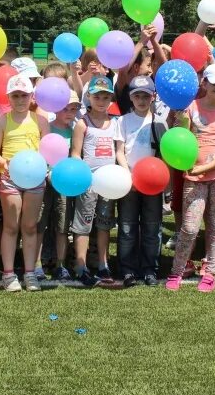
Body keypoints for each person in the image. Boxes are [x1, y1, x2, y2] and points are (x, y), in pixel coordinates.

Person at [166, 63, 215, 293]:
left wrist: (207, 166)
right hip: (194, 176)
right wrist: (177, 120)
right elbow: (179, 136)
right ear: (204, 83)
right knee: (189, 226)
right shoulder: (190, 107)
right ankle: (177, 270)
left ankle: (210, 271)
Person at [0, 74, 50, 292]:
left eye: (24, 95)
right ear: (8, 98)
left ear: (31, 96)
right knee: (11, 225)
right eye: (15, 95)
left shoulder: (40, 121)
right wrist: (5, 163)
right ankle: (8, 274)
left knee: (30, 226)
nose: (20, 100)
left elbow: (49, 151)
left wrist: (45, 167)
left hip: (35, 179)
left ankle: (30, 273)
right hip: (10, 179)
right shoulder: (2, 120)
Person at [70, 76, 122, 288]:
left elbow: (119, 152)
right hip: (88, 182)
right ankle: (80, 266)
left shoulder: (116, 123)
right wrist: (84, 176)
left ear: (111, 98)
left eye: (105, 96)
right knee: (83, 224)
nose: (101, 100)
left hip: (108, 184)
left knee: (104, 224)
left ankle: (103, 263)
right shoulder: (82, 123)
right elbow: (75, 153)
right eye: (96, 96)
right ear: (88, 97)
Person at [115, 76, 166, 287]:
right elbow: (119, 152)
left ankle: (149, 268)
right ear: (130, 97)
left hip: (153, 184)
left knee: (152, 227)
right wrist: (129, 177)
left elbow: (164, 156)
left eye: (146, 96)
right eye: (137, 96)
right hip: (129, 182)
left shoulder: (159, 123)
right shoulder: (123, 121)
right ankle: (127, 269)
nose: (142, 100)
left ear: (153, 97)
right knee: (127, 227)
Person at [39, 89, 80, 280]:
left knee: (63, 225)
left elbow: (75, 156)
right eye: (66, 109)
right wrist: (47, 172)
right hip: (44, 181)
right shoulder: (46, 127)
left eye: (74, 109)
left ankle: (60, 264)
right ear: (56, 109)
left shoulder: (75, 131)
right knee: (40, 223)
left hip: (64, 184)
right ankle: (37, 264)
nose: (70, 113)